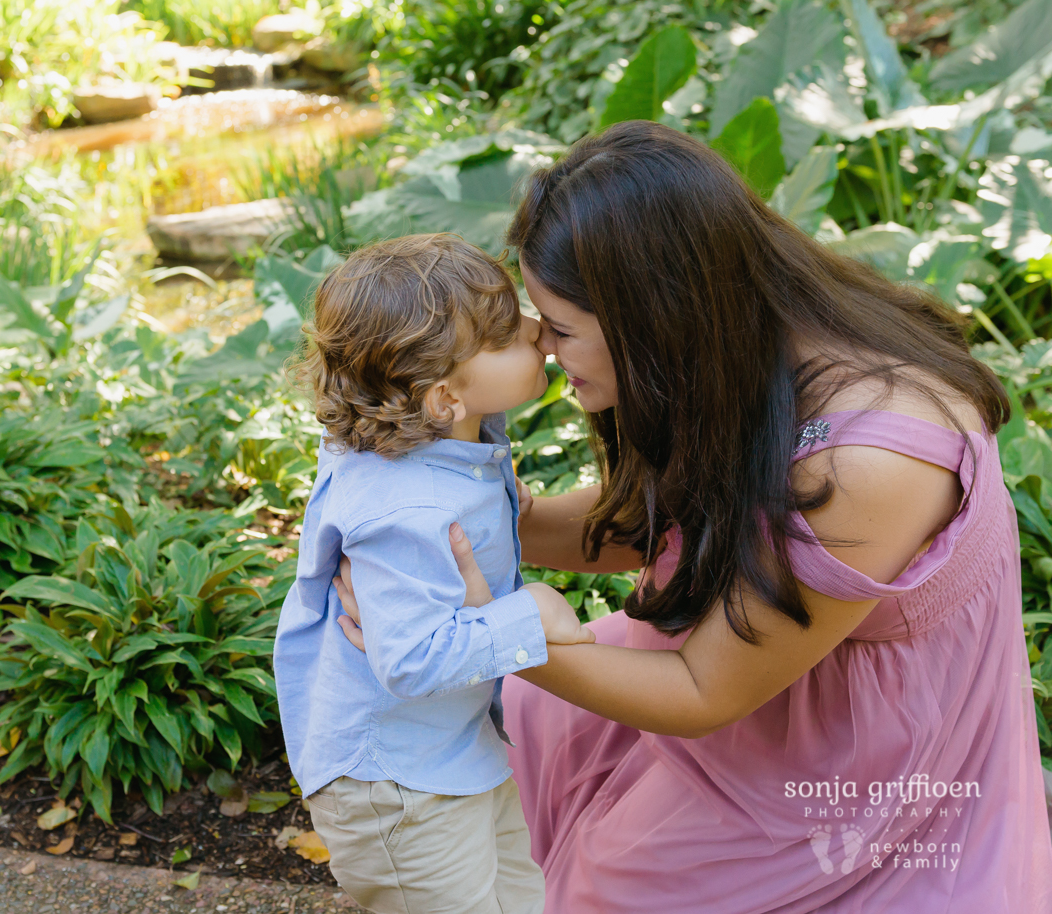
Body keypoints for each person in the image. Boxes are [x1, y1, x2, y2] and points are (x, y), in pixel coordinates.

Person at [333, 122, 1052, 911]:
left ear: (655, 316)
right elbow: (667, 529)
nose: (540, 345)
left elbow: (707, 691)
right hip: (751, 660)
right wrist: (448, 528)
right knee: (530, 727)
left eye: (561, 329)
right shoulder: (741, 348)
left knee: (617, 881)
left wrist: (489, 637)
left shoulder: (871, 461)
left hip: (857, 758)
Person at [273, 233, 595, 914]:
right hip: (398, 788)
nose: (538, 333)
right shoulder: (409, 511)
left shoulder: (434, 439)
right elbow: (410, 659)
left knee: (525, 898)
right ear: (445, 398)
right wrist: (529, 611)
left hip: (449, 754)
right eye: (508, 332)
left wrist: (509, 507)